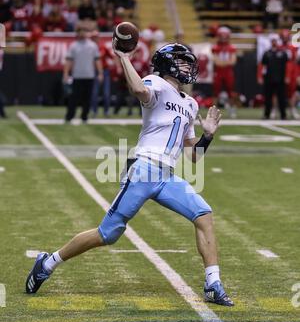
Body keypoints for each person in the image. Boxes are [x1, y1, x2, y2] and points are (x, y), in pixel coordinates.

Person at [25, 42, 234, 307]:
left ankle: (213, 284)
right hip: (144, 168)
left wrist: (207, 136)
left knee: (203, 214)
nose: (187, 67)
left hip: (166, 176)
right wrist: (124, 58)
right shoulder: (154, 82)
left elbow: (193, 156)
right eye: (181, 61)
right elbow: (137, 89)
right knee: (107, 234)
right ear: (167, 64)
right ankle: (48, 262)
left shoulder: (191, 104)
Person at [64, 26, 103, 123]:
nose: (82, 34)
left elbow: (97, 60)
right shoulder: (74, 46)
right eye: (80, 32)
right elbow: (69, 61)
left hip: (89, 76)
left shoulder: (92, 46)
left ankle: (84, 116)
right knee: (74, 98)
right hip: (77, 76)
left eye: (84, 31)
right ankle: (69, 116)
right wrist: (65, 73)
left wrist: (100, 73)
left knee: (87, 98)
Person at [261, 34, 288, 120]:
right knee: (268, 98)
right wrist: (262, 77)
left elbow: (287, 66)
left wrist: (287, 77)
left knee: (281, 98)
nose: (274, 42)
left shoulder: (283, 53)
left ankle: (283, 115)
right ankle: (267, 114)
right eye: (272, 41)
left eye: (275, 40)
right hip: (269, 79)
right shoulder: (267, 53)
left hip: (280, 79)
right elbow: (263, 66)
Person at [212, 27, 237, 118]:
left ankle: (232, 110)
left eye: (225, 36)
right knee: (215, 92)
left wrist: (222, 63)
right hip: (219, 72)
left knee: (231, 92)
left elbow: (233, 61)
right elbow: (216, 62)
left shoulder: (231, 47)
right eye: (221, 36)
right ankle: (213, 112)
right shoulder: (215, 47)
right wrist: (226, 62)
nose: (223, 38)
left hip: (228, 72)